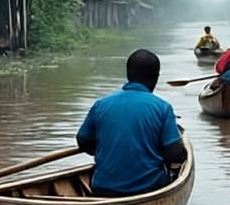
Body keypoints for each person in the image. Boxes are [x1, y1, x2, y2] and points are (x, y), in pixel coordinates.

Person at [76, 49, 187, 196]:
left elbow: (82, 141)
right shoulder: (162, 108)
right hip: (149, 188)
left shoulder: (101, 105)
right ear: (155, 77)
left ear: (128, 74)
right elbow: (174, 154)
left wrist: (106, 149)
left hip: (103, 189)